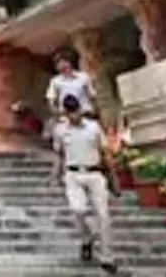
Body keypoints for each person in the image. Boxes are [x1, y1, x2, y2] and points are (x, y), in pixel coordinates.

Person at [52, 95, 118, 274]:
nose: (74, 115)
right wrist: (55, 175)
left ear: (80, 110)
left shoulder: (93, 128)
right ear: (65, 112)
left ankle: (107, 257)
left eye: (76, 111)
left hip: (94, 173)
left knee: (103, 216)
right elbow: (60, 154)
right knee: (78, 210)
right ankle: (87, 237)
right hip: (73, 174)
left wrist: (114, 177)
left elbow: (105, 153)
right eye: (70, 112)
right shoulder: (60, 130)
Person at [47, 50, 96, 120]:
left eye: (64, 62)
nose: (62, 65)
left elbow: (92, 95)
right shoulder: (55, 81)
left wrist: (93, 111)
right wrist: (57, 113)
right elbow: (51, 100)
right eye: (58, 63)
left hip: (86, 114)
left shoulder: (83, 77)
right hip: (67, 117)